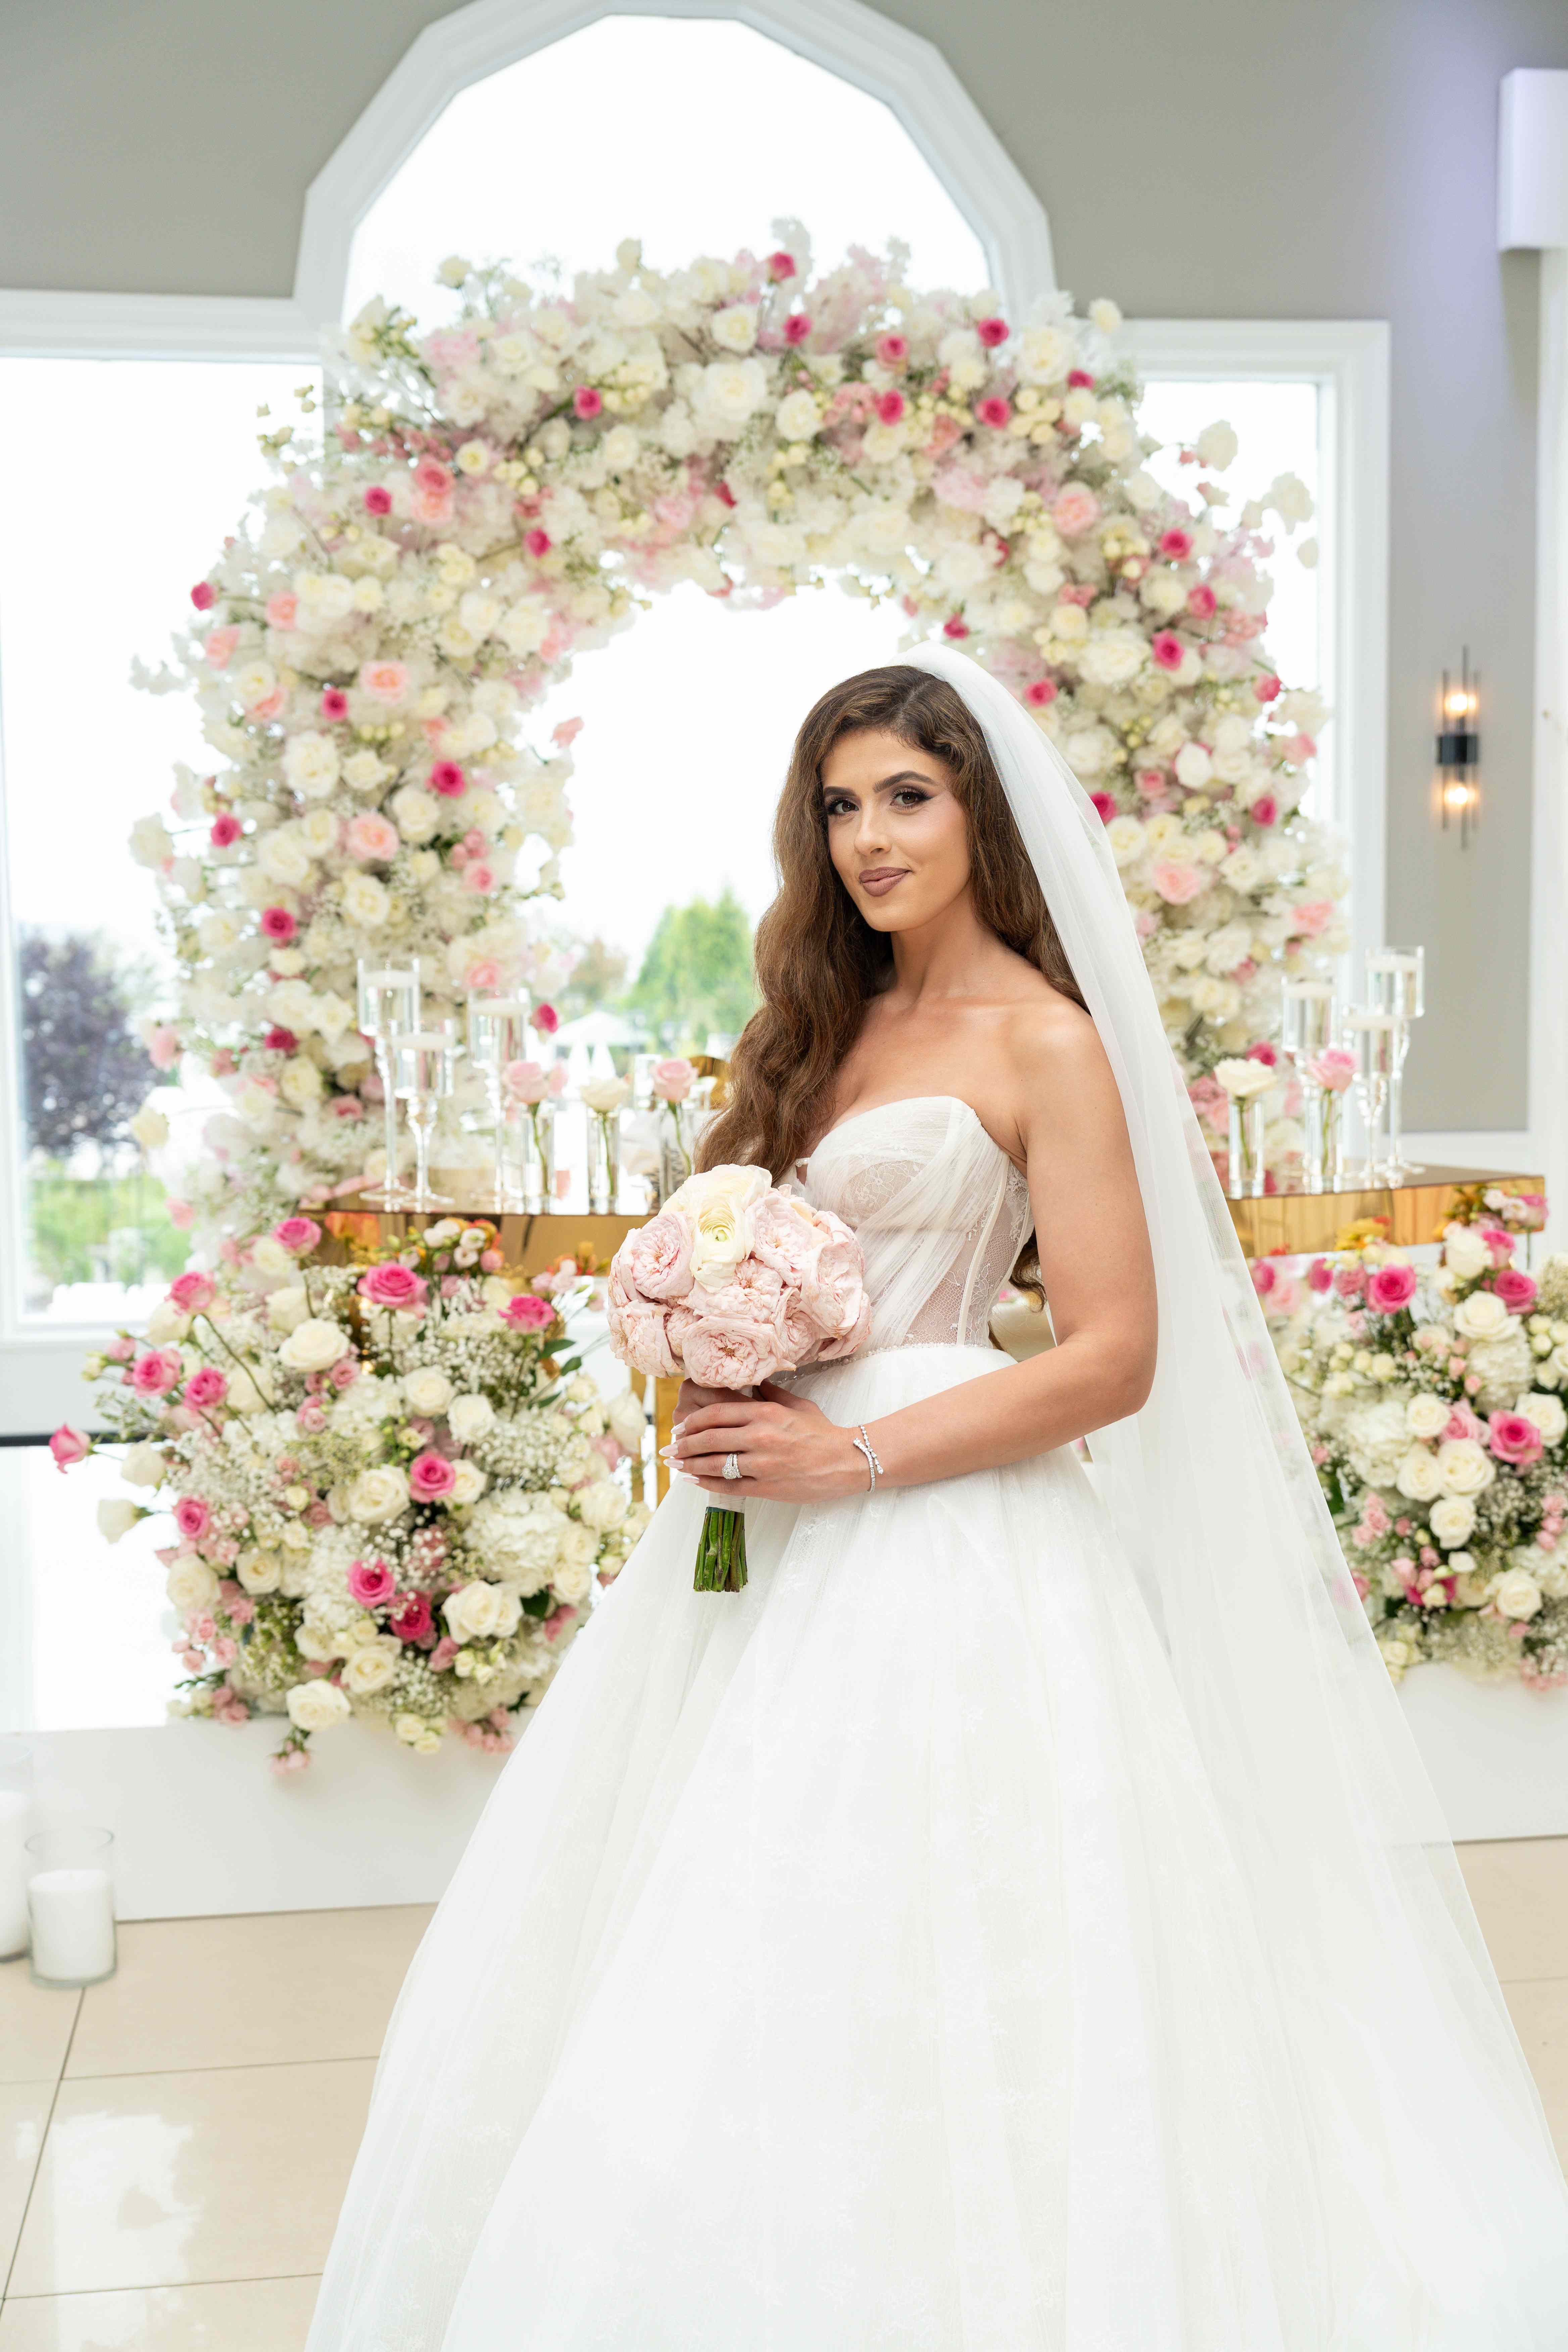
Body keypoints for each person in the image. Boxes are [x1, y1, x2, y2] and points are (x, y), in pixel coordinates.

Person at [307, 647, 1568, 2350]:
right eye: (839, 806)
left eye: (907, 795)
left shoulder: (1048, 1040)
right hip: (760, 1523)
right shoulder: (817, 1027)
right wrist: (711, 1358)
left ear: (982, 809)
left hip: (943, 1523)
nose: (869, 839)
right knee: (724, 1919)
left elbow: (1116, 1357)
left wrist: (857, 1455)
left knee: (947, 1911)